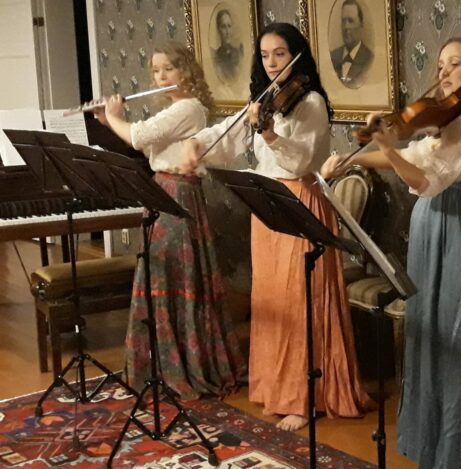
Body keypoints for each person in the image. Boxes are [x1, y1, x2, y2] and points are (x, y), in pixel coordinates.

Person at [322, 34, 461, 469]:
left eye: (456, 64)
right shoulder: (450, 120)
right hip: (436, 229)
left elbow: (429, 181)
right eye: (441, 64)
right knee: (433, 335)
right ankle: (436, 448)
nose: (444, 73)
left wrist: (385, 147)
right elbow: (416, 155)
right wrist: (354, 158)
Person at [180, 22, 372, 432]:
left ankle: (306, 397)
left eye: (280, 54)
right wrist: (197, 144)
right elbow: (229, 134)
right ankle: (277, 388)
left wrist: (267, 133)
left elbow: (299, 161)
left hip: (300, 201)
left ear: (296, 54)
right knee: (273, 300)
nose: (271, 63)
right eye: (265, 55)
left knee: (300, 300)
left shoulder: (311, 102)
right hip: (267, 204)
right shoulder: (265, 97)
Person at [93, 42, 246, 400]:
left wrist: (114, 116)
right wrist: (107, 121)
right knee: (159, 275)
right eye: (156, 71)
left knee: (175, 276)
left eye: (168, 69)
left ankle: (184, 366)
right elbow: (148, 146)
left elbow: (139, 136)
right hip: (163, 191)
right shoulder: (175, 109)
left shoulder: (189, 108)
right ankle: (159, 365)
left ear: (185, 72)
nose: (161, 77)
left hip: (178, 193)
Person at [329, 0, 373, 88]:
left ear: (361, 25)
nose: (346, 27)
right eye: (343, 21)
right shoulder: (332, 57)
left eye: (351, 21)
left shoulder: (369, 59)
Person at [212, 8, 244, 83]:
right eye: (223, 26)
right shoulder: (216, 57)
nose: (227, 32)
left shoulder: (238, 53)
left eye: (229, 26)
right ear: (218, 30)